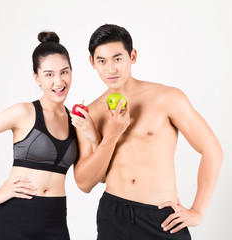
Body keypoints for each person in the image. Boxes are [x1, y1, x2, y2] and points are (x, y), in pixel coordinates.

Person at [70, 24, 223, 240]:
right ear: (92, 63)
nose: (111, 69)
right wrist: (111, 135)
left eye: (117, 58)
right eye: (102, 61)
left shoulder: (166, 97)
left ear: (132, 56)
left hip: (161, 218)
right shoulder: (91, 114)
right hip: (113, 215)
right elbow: (84, 183)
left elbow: (212, 150)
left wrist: (198, 211)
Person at [0, 31, 97, 240]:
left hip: (56, 220)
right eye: (49, 74)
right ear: (37, 78)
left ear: (72, 72)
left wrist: (93, 136)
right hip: (15, 218)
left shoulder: (77, 122)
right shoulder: (24, 113)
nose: (59, 81)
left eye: (65, 72)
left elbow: (91, 175)